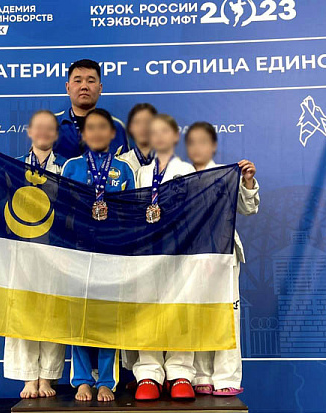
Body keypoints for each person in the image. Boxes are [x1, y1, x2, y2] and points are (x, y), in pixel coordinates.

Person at [0, 111, 67, 398]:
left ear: (56, 134)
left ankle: (47, 377)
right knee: (21, 312)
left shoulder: (65, 168)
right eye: (38, 127)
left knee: (52, 312)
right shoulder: (12, 166)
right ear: (29, 132)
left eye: (49, 128)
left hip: (56, 251)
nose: (43, 132)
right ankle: (28, 377)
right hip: (19, 251)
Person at [61, 108, 135, 402]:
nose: (97, 133)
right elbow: (61, 209)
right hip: (78, 251)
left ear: (112, 133)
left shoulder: (124, 170)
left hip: (111, 252)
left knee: (107, 319)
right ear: (83, 134)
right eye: (90, 128)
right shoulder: (72, 167)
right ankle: (81, 380)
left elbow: (132, 213)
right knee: (77, 318)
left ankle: (106, 381)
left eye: (103, 127)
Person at [185, 121, 259, 397]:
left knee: (227, 315)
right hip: (192, 257)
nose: (198, 148)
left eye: (204, 142)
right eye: (192, 143)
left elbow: (248, 208)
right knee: (197, 314)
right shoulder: (180, 177)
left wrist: (247, 180)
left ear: (213, 146)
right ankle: (201, 374)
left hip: (225, 255)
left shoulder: (228, 175)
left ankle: (227, 376)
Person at [133, 114, 197, 401]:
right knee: (147, 309)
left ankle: (180, 371)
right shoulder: (141, 173)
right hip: (148, 249)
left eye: (165, 132)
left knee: (180, 309)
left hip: (180, 248)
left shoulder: (188, 170)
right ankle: (149, 372)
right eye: (154, 132)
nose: (159, 137)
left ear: (175, 137)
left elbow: (197, 209)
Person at [53, 59, 130, 160]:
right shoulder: (51, 125)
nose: (84, 86)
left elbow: (125, 166)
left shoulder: (116, 126)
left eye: (90, 81)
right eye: (78, 81)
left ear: (100, 88)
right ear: (68, 88)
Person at [118, 103, 158, 173]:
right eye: (137, 122)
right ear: (130, 127)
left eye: (148, 122)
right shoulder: (121, 163)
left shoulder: (169, 162)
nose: (143, 127)